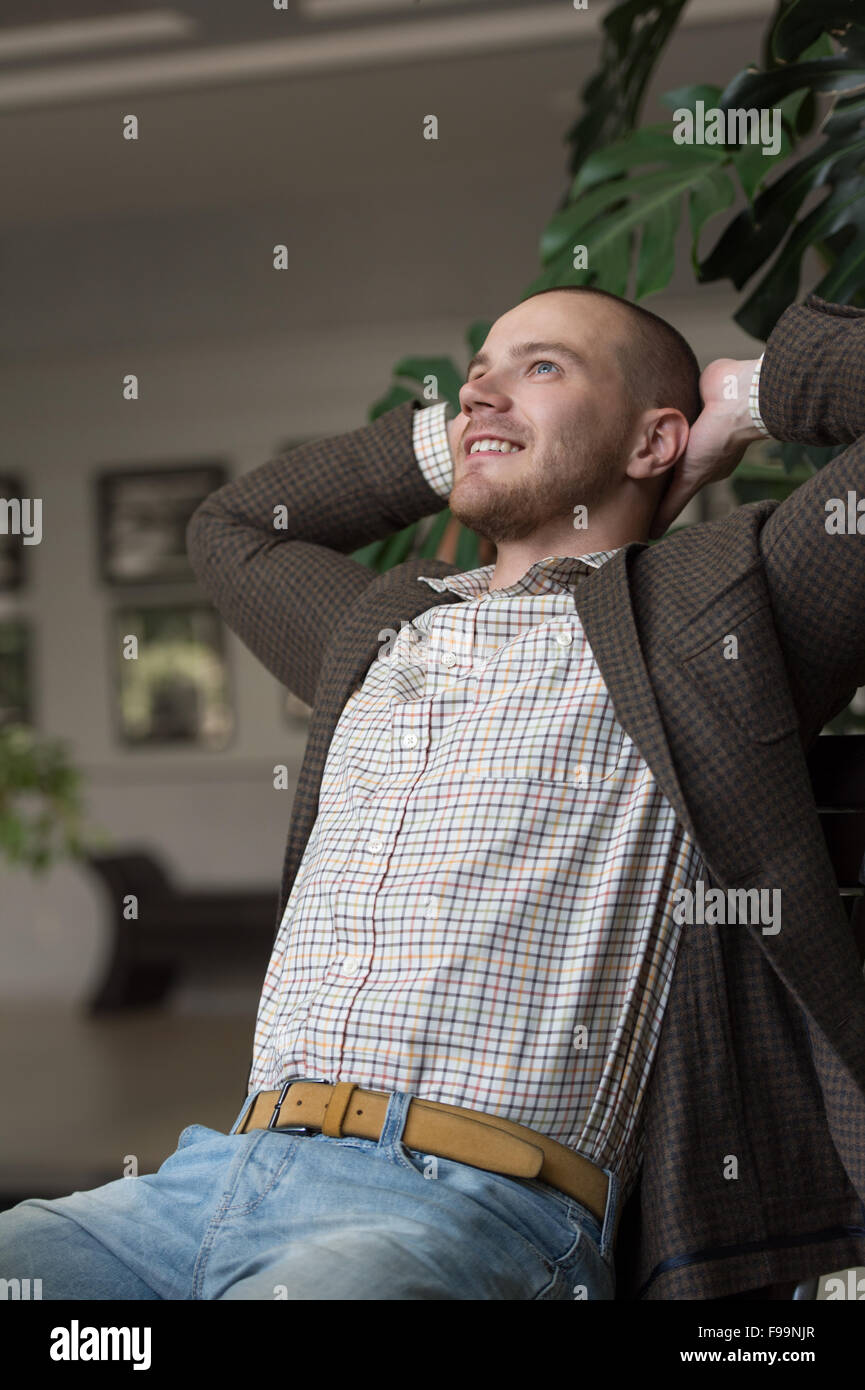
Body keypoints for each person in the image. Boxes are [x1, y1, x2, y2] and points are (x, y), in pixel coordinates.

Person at [2, 287, 864, 1301]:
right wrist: (463, 434)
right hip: (201, 1185)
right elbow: (231, 526)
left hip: (462, 1208)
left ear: (654, 439)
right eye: (474, 377)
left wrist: (745, 394)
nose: (482, 391)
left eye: (540, 367)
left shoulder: (715, 620)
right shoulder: (381, 630)